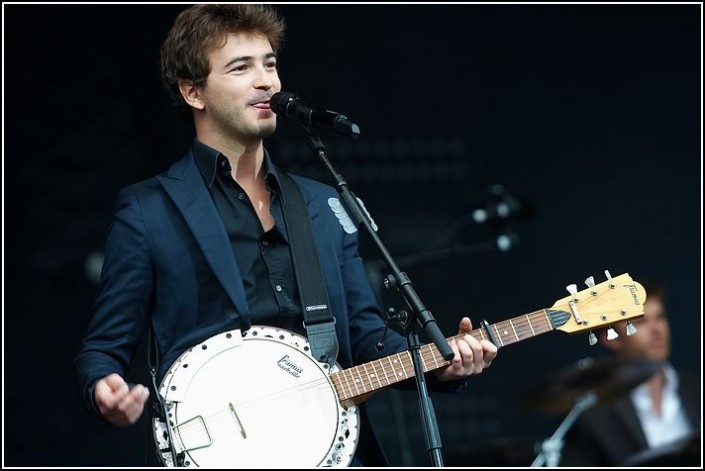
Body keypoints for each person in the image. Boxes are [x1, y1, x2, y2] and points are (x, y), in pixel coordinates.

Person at [74, 4, 498, 467]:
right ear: (194, 92)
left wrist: (443, 362)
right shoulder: (149, 210)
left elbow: (366, 336)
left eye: (270, 64)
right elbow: (103, 348)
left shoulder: (321, 203)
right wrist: (104, 389)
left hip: (333, 447)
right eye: (242, 67)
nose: (267, 82)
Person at [560, 280, 701, 466]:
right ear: (612, 338)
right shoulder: (594, 413)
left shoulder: (696, 388)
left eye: (660, 317)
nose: (656, 329)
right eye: (640, 321)